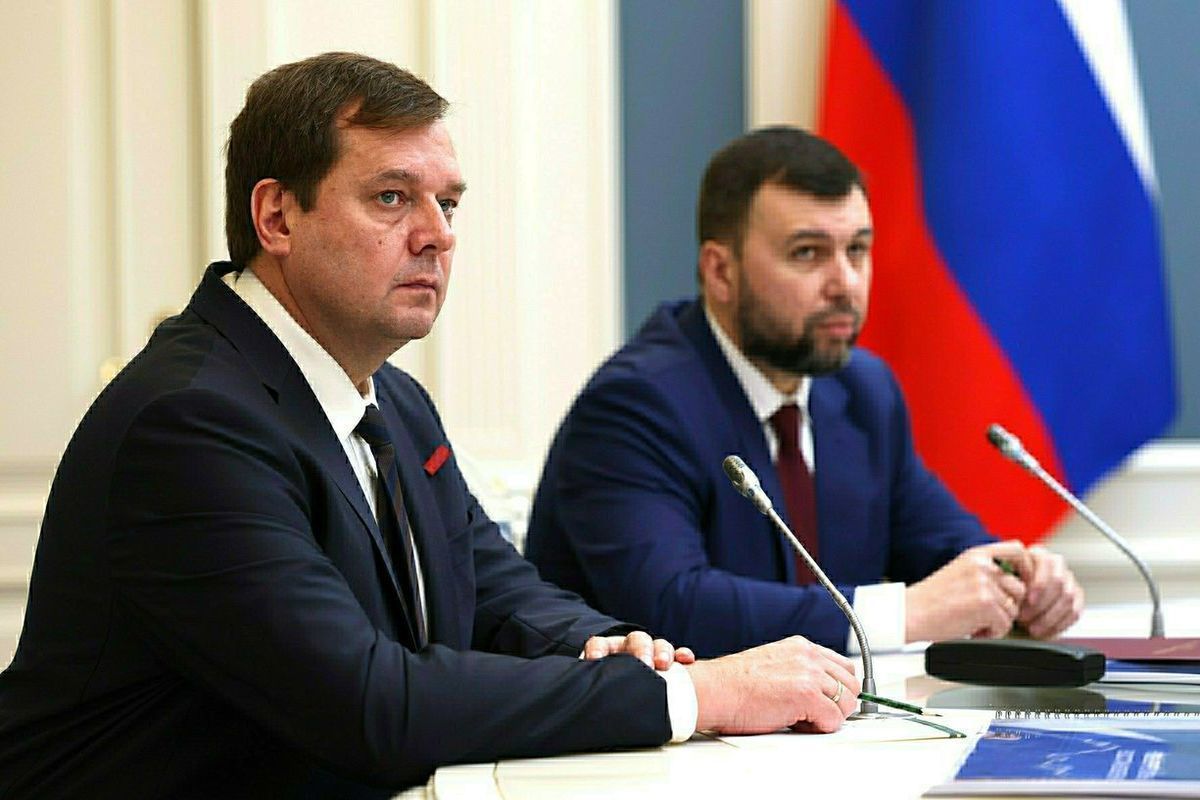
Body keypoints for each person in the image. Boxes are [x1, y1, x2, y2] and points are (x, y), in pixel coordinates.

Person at [0, 58, 862, 797]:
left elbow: (498, 595)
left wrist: (610, 652)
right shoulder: (191, 422)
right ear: (277, 218)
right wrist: (694, 698)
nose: (438, 236)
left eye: (448, 204)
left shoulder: (396, 404)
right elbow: (368, 703)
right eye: (392, 198)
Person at [525, 127, 1084, 659]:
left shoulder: (862, 392)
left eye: (857, 250)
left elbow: (940, 545)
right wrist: (902, 614)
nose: (845, 283)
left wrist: (1017, 582)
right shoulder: (636, 405)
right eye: (808, 253)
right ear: (720, 272)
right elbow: (672, 608)